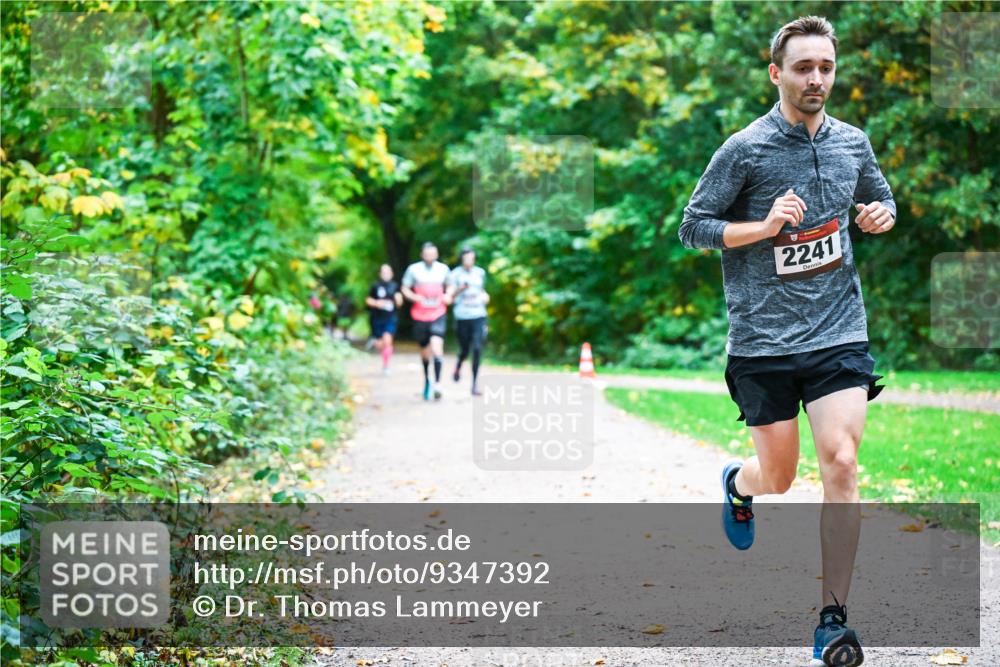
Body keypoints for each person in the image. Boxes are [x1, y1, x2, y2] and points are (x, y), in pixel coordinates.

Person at [678, 16, 896, 667]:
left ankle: (833, 619)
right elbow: (692, 227)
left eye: (826, 67)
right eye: (803, 67)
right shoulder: (744, 149)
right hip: (763, 342)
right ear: (777, 73)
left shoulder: (852, 144)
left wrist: (880, 216)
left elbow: (880, 201)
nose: (816, 79)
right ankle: (738, 484)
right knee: (777, 474)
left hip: (838, 335)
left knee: (841, 458)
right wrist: (764, 225)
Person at [401, 242, 452, 400]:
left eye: (433, 254)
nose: (430, 257)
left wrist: (447, 295)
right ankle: (427, 380)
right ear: (422, 255)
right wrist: (414, 297)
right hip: (419, 315)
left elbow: (450, 286)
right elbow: (404, 288)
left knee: (437, 348)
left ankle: (438, 384)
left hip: (438, 313)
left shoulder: (443, 269)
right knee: (424, 352)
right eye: (427, 254)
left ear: (436, 254)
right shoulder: (413, 269)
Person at [447, 247, 489, 396]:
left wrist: (485, 296)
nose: (469, 261)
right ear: (462, 259)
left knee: (477, 348)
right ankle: (458, 364)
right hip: (462, 316)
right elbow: (450, 296)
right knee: (465, 350)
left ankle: (474, 384)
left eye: (471, 258)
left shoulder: (480, 273)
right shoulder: (454, 274)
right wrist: (460, 289)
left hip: (478, 315)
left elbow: (482, 291)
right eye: (466, 258)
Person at [365, 264, 403, 374]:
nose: (386, 274)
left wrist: (398, 300)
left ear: (391, 274)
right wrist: (377, 303)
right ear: (380, 274)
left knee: (387, 340)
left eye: (388, 272)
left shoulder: (395, 286)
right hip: (376, 318)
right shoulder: (375, 286)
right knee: (380, 343)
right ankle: (375, 342)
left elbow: (399, 302)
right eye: (383, 272)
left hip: (390, 318)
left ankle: (386, 366)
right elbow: (368, 300)